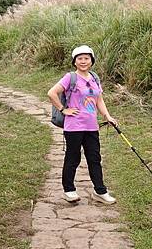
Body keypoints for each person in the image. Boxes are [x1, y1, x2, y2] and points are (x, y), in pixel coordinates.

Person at [47, 45, 118, 205]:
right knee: (73, 157)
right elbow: (51, 93)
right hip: (74, 126)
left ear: (92, 61)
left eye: (86, 58)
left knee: (94, 158)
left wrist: (108, 116)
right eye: (80, 58)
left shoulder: (94, 78)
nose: (83, 61)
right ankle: (69, 190)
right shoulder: (70, 77)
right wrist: (63, 109)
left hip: (91, 126)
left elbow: (99, 99)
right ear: (74, 61)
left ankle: (100, 191)